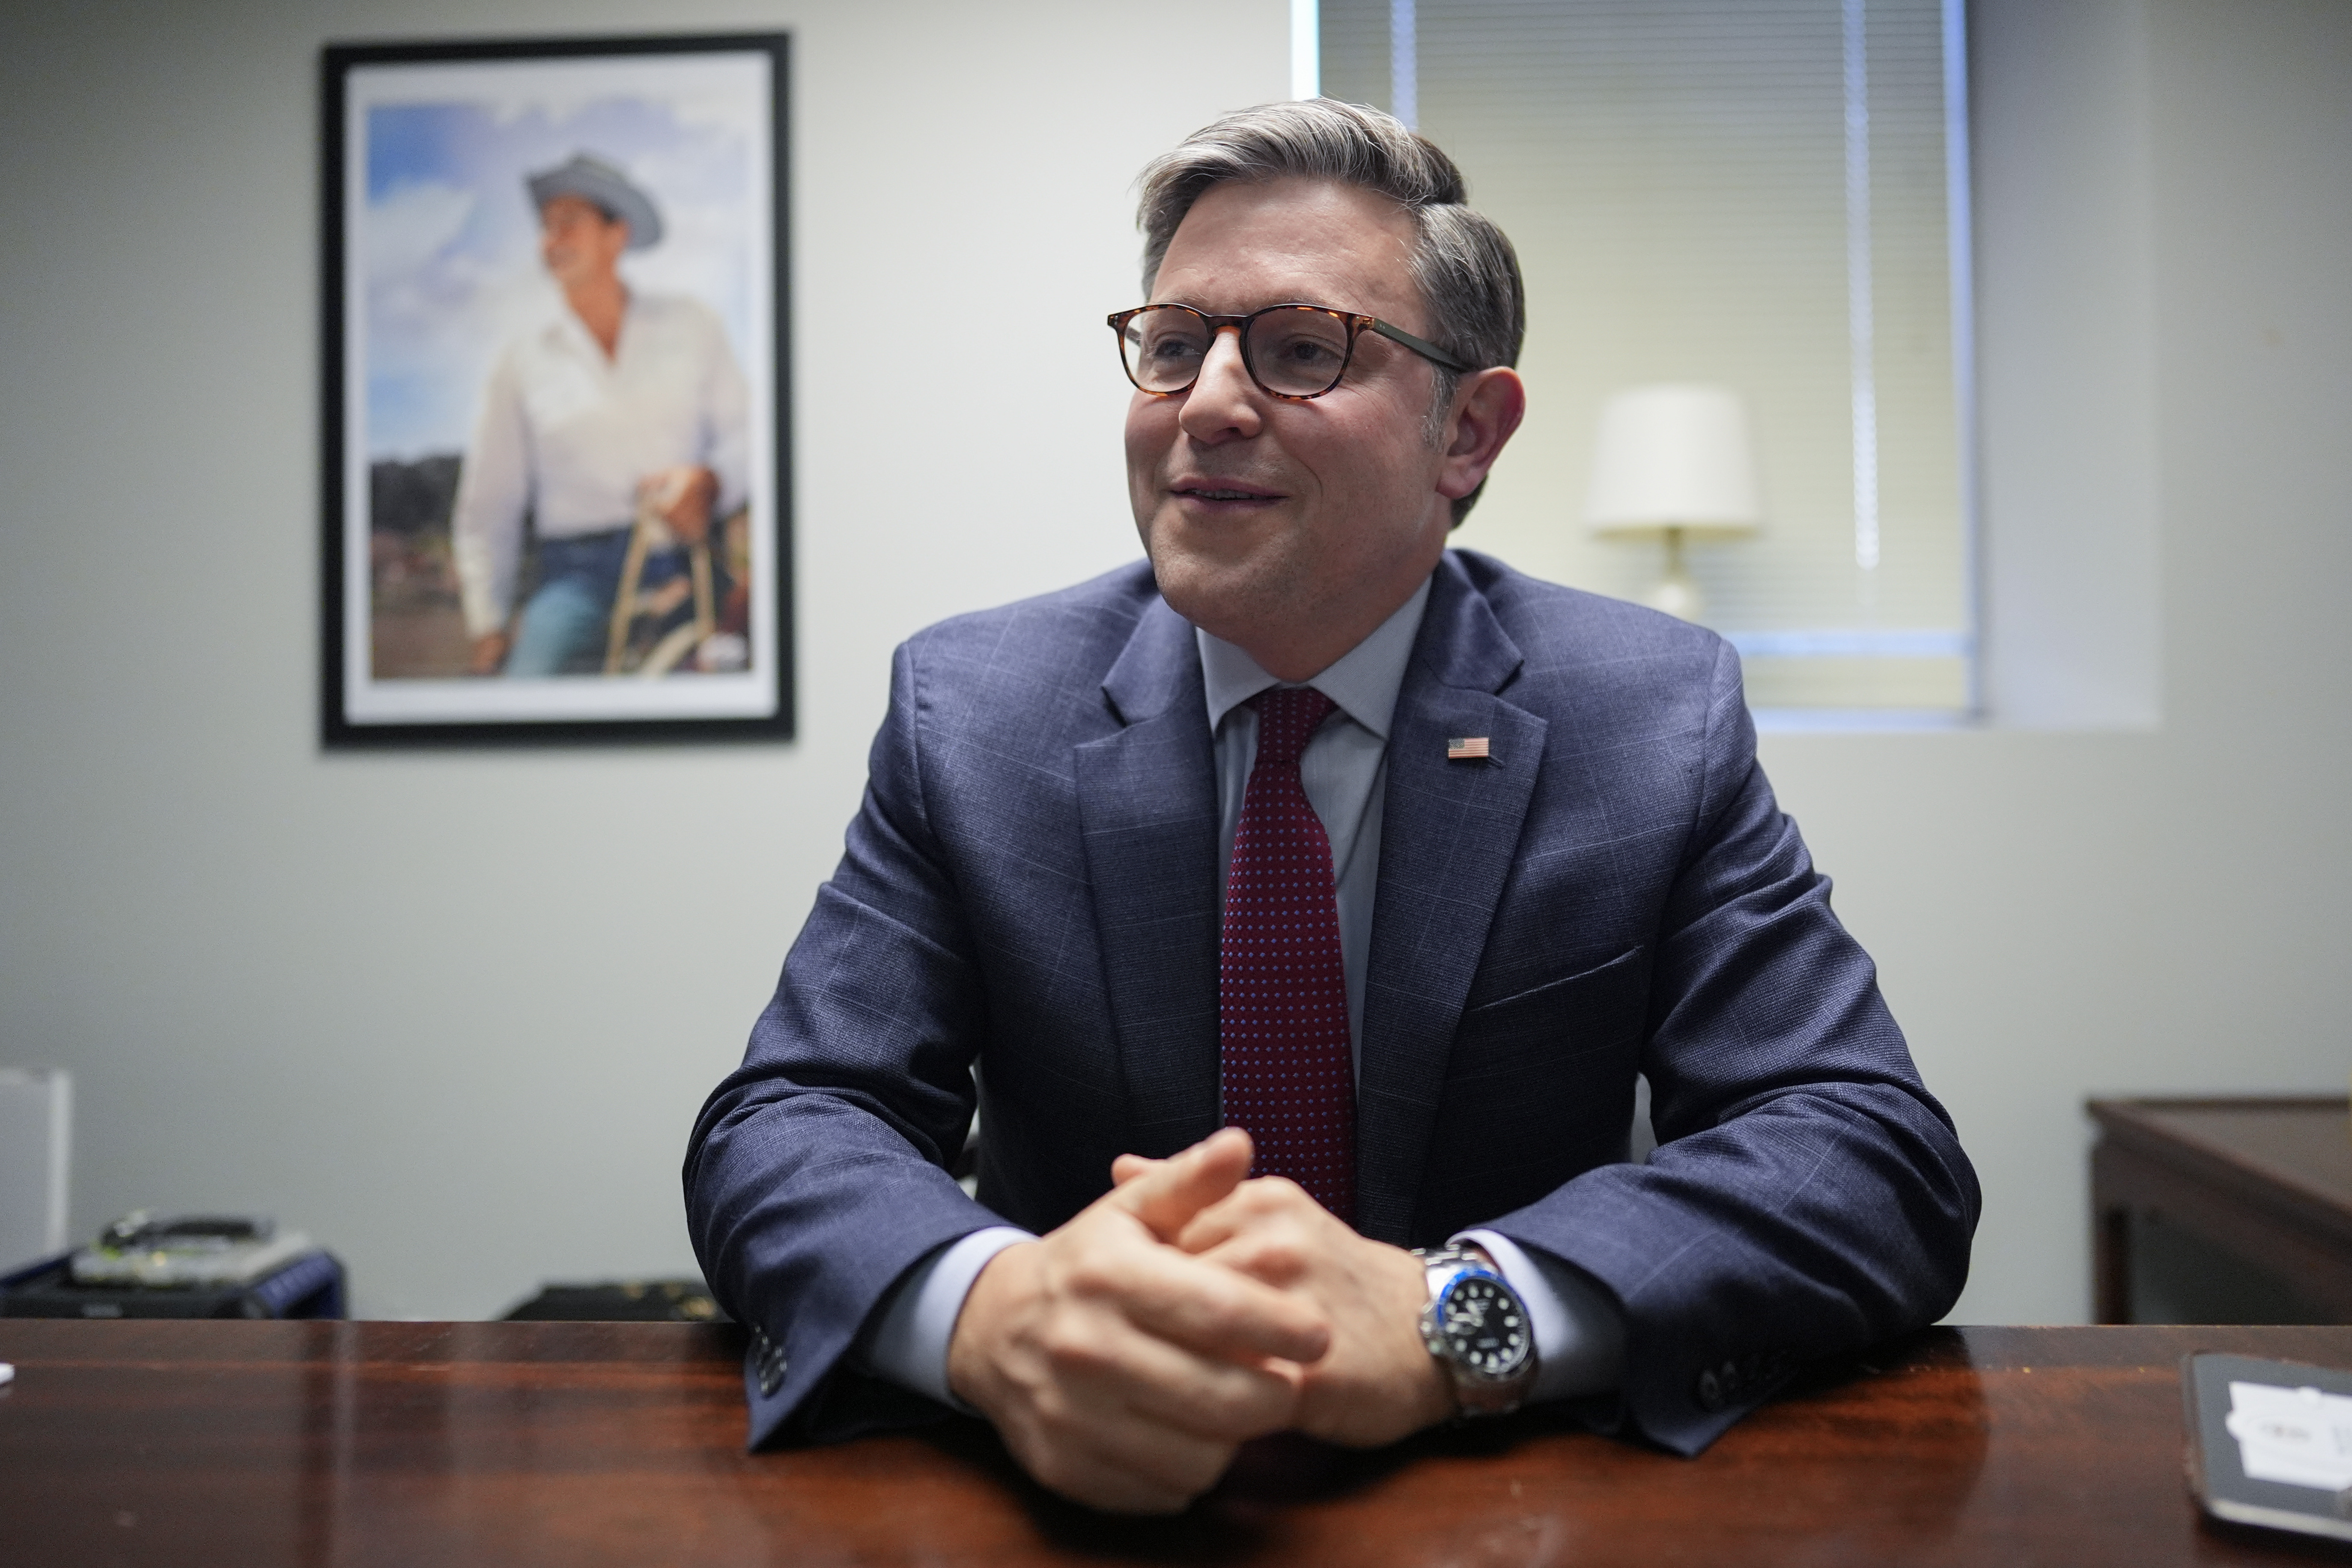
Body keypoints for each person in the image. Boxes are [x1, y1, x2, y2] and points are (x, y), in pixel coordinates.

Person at [684, 100, 1977, 1514]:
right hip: (1087, 1503)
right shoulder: (976, 710)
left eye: (1303, 351)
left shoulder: (1646, 714)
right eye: (1173, 346)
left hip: (1510, 1507)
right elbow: (793, 1118)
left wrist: (1456, 1320)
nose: (1209, 403)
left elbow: (1865, 1151)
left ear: (1466, 432)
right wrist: (994, 1318)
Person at [449, 153, 750, 677]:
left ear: (617, 235)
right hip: (573, 578)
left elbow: (751, 437)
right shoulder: (522, 359)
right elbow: (488, 503)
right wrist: (488, 624)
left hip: (689, 562)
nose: (551, 241)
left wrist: (711, 480)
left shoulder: (692, 324)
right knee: (528, 706)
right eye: (546, 228)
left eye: (569, 223)